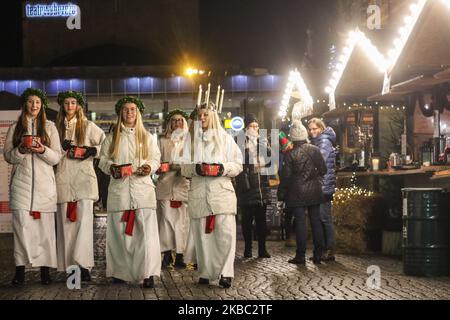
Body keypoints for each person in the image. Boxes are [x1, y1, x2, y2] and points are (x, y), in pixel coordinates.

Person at [99, 96, 161, 288]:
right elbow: (102, 160)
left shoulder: (147, 137)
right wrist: (113, 168)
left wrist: (149, 167)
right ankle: (120, 272)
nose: (129, 113)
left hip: (143, 192)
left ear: (138, 112)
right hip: (120, 192)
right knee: (119, 235)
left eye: (133, 109)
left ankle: (148, 272)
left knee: (145, 236)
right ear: (120, 113)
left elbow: (156, 159)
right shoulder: (111, 138)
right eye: (126, 110)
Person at [179, 102, 243, 288]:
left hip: (222, 194)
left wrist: (222, 168)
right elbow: (183, 167)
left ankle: (225, 273)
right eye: (200, 115)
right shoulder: (190, 141)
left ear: (213, 116)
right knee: (202, 236)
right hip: (199, 193)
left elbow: (238, 165)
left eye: (206, 115)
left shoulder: (226, 138)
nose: (202, 118)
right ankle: (205, 272)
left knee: (225, 235)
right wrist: (197, 169)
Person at [4, 88, 62, 285]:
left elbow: (56, 157)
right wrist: (20, 149)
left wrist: (42, 149)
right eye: (30, 102)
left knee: (45, 231)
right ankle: (20, 272)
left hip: (44, 188)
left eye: (37, 102)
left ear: (42, 105)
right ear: (25, 104)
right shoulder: (15, 128)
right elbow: (8, 157)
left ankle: (45, 272)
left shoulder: (50, 127)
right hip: (21, 187)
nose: (34, 105)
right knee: (21, 230)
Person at [54, 90, 106, 281]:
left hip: (84, 181)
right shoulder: (54, 127)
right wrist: (61, 147)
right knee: (66, 225)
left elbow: (107, 145)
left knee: (84, 226)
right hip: (64, 180)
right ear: (62, 106)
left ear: (78, 106)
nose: (69, 107)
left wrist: (92, 150)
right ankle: (70, 268)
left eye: (73, 103)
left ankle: (84, 266)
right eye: (66, 103)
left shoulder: (88, 125)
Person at [277, 120, 327, 265]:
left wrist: (281, 195)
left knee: (300, 223)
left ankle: (300, 256)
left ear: (292, 137)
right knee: (316, 221)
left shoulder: (290, 154)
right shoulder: (315, 150)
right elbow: (323, 170)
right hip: (314, 191)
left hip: (297, 192)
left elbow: (285, 177)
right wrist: (313, 175)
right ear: (305, 134)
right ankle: (318, 254)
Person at [156, 109, 190, 269]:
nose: (177, 123)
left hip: (182, 187)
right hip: (164, 186)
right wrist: (161, 167)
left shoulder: (190, 142)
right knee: (165, 221)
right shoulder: (162, 141)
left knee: (182, 222)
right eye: (174, 121)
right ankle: (167, 252)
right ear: (170, 123)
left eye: (180, 120)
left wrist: (183, 168)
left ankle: (181, 254)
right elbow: (155, 160)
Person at [235, 114, 271, 259]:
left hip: (261, 187)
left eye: (256, 126)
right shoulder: (240, 142)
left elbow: (269, 161)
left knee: (262, 222)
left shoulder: (263, 141)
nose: (255, 129)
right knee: (247, 222)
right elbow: (240, 161)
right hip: (247, 187)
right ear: (246, 127)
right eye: (251, 126)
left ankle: (262, 249)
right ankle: (248, 249)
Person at [308, 118, 337, 261]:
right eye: (311, 129)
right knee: (322, 218)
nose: (312, 131)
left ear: (321, 128)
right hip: (322, 185)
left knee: (324, 218)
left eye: (315, 129)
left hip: (324, 186)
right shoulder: (319, 141)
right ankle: (325, 249)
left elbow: (320, 163)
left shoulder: (324, 142)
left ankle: (329, 249)